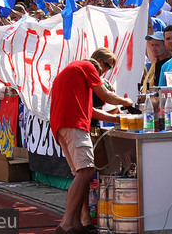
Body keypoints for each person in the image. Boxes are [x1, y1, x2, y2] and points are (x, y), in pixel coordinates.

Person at [50, 48, 132, 234]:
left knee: (82, 173)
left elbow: (92, 111)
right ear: (99, 61)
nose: (106, 72)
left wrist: (119, 119)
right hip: (73, 124)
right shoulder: (87, 66)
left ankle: (77, 223)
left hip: (64, 125)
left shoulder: (76, 71)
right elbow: (105, 96)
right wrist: (127, 103)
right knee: (86, 171)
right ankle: (67, 223)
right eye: (107, 66)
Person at [140, 21, 171, 93]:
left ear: (166, 45)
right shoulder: (156, 62)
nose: (153, 49)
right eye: (152, 45)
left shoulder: (167, 65)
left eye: (157, 45)